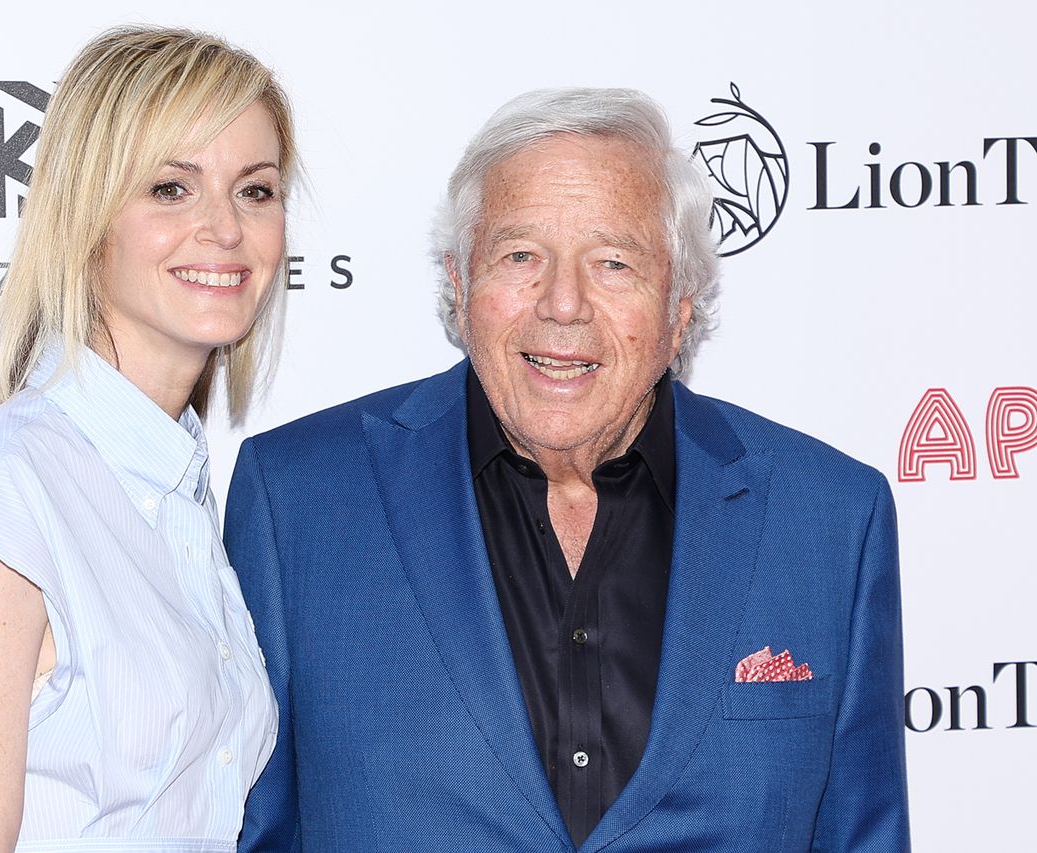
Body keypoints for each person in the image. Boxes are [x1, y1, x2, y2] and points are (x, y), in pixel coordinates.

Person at [226, 88, 909, 852]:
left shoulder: (829, 518)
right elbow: (247, 828)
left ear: (681, 304)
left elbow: (862, 832)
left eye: (613, 262)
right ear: (459, 281)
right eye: (521, 256)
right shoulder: (297, 499)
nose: (562, 304)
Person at [0, 26, 295, 853]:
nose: (225, 228)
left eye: (256, 190)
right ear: (86, 216)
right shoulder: (3, 494)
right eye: (171, 188)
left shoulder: (181, 499)